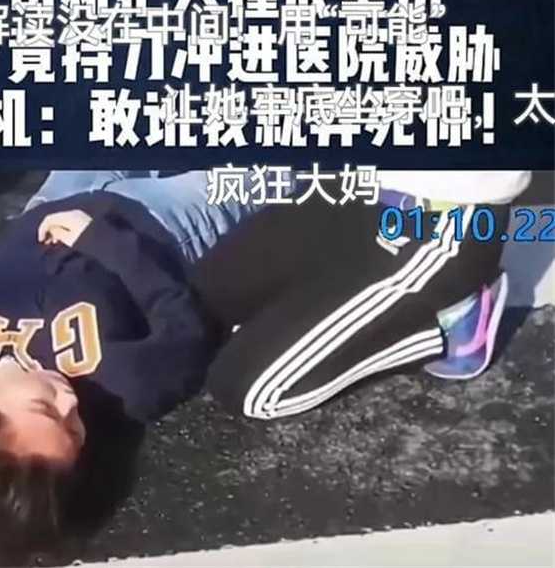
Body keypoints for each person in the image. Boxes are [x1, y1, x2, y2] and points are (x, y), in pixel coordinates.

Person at [0, 170, 264, 550]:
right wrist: (104, 240)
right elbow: (185, 327)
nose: (69, 401)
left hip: (50, 204)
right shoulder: (123, 390)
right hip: (160, 219)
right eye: (75, 429)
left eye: (45, 408)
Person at [190, 170, 531, 419]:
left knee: (249, 390)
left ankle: (451, 321)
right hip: (349, 183)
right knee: (196, 306)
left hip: (441, 217)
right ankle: (333, 297)